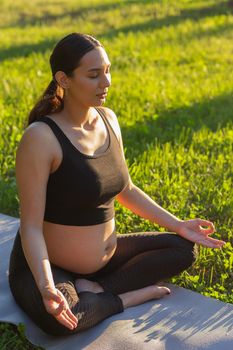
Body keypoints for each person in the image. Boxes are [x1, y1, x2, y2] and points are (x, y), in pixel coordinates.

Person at [8, 32, 226, 336]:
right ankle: (123, 298)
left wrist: (179, 224)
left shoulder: (108, 119)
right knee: (62, 318)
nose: (106, 82)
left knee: (184, 248)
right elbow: (30, 227)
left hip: (105, 263)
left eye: (108, 71)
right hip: (50, 265)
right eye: (94, 75)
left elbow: (126, 189)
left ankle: (98, 288)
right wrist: (46, 286)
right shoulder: (41, 138)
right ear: (64, 79)